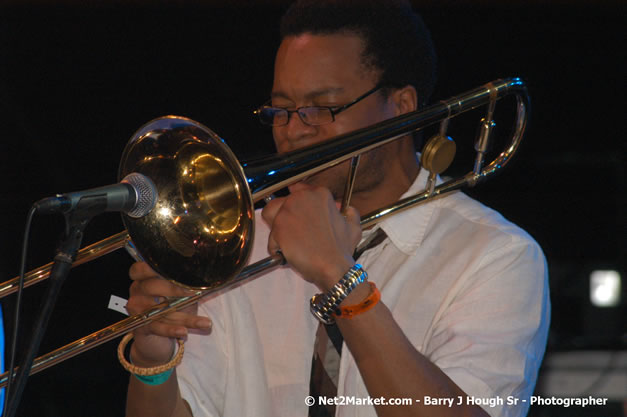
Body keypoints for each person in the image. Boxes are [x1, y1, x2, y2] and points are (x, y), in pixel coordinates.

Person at [123, 1, 550, 416]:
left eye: (320, 108)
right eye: (281, 110)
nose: (293, 131)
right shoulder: (238, 245)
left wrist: (339, 276)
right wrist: (153, 361)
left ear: (401, 107)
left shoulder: (496, 255)